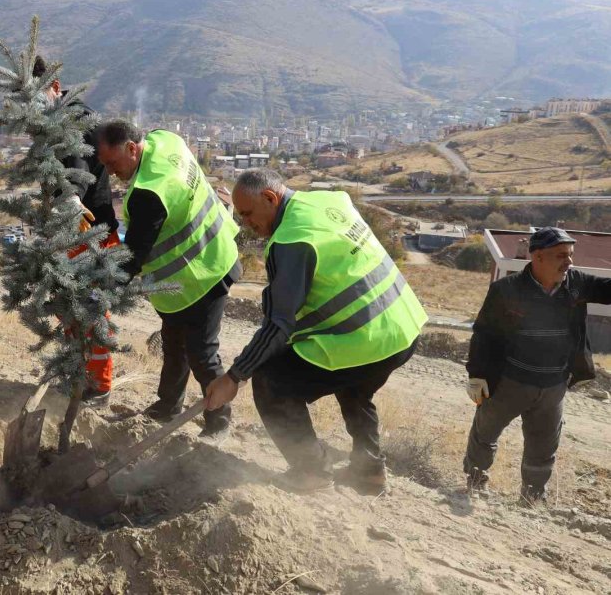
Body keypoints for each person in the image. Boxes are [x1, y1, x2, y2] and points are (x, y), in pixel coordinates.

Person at [205, 170, 427, 493]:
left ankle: (311, 473)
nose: (246, 224)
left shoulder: (291, 240)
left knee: (271, 382)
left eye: (249, 214)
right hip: (402, 327)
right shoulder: (326, 200)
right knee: (353, 383)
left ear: (270, 198)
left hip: (368, 337)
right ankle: (368, 472)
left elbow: (279, 325)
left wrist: (234, 377)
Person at [95, 119, 241, 438]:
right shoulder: (165, 141)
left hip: (203, 273)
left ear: (132, 148)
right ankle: (167, 405)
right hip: (200, 264)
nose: (109, 171)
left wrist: (100, 292)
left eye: (112, 162)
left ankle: (220, 421)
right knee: (174, 344)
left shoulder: (150, 192)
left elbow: (132, 257)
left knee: (201, 351)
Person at [463, 226, 611, 505]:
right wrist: (477, 375)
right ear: (538, 257)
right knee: (485, 434)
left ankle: (532, 497)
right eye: (561, 256)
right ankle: (474, 483)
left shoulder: (575, 283)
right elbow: (485, 334)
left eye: (570, 255)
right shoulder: (506, 290)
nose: (569, 262)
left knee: (543, 447)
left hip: (553, 386)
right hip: (510, 382)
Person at [33, 56, 120, 407]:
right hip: (70, 232)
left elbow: (77, 169)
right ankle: (78, 375)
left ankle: (98, 387)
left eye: (37, 98)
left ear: (54, 87)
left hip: (87, 232)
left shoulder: (70, 119)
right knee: (71, 309)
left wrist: (68, 198)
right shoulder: (53, 119)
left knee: (90, 312)